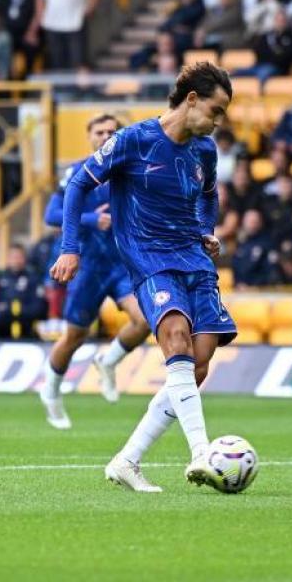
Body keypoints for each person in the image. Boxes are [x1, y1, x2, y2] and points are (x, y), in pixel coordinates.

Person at [51, 63, 237, 493]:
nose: (217, 121)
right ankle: (202, 454)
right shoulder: (133, 140)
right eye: (215, 110)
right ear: (192, 100)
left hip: (194, 259)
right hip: (150, 259)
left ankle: (127, 460)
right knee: (176, 339)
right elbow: (77, 185)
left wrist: (206, 229)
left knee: (198, 363)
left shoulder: (204, 150)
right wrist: (69, 247)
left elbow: (209, 195)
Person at [39, 114, 151, 428]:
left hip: (121, 265)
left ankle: (108, 360)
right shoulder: (77, 172)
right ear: (89, 136)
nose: (105, 136)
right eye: (99, 131)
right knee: (75, 336)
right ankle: (51, 390)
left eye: (111, 131)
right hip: (88, 267)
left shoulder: (131, 173)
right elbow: (51, 215)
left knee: (145, 320)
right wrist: (91, 219)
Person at [32, 0, 99, 71]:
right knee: (56, 61)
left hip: (75, 24)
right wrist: (40, 17)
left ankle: (76, 80)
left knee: (77, 61)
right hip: (52, 25)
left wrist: (89, 9)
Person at [233, 210, 276, 289]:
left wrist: (254, 285)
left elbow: (270, 269)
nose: (252, 224)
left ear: (260, 223)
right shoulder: (240, 243)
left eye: (254, 221)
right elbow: (236, 267)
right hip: (240, 289)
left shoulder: (267, 243)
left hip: (260, 289)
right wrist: (238, 283)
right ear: (243, 223)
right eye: (249, 221)